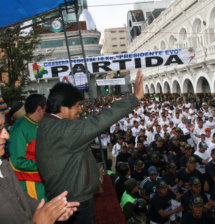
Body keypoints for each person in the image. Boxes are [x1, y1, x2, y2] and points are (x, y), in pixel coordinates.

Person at [36, 70, 144, 224]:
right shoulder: (64, 130)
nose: (81, 110)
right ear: (63, 108)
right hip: (76, 204)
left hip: (69, 198)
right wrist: (135, 98)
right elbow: (100, 121)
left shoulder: (50, 125)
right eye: (77, 106)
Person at [0, 113, 79, 224]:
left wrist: (49, 210)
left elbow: (24, 200)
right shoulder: (20, 128)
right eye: (0, 129)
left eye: (4, 127)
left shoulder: (4, 166)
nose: (7, 135)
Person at [9, 94, 47, 200]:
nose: (46, 113)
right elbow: (16, 162)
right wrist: (45, 166)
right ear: (39, 109)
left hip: (44, 181)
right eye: (45, 109)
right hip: (31, 184)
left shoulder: (40, 124)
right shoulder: (19, 128)